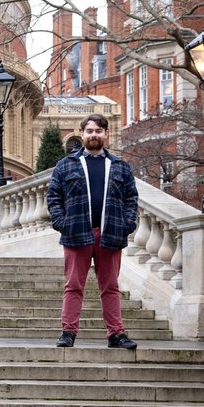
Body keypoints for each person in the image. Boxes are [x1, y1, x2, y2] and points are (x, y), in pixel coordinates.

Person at [46, 113, 139, 350]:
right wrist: (61, 222)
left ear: (106, 135)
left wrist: (128, 224)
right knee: (74, 285)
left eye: (98, 131)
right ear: (82, 134)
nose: (94, 135)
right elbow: (54, 197)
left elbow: (131, 199)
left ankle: (116, 334)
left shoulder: (120, 166)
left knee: (110, 286)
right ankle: (68, 332)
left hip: (111, 234)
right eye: (89, 131)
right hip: (76, 233)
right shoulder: (65, 165)